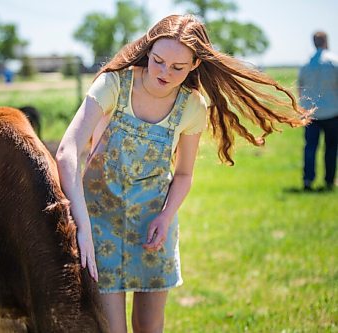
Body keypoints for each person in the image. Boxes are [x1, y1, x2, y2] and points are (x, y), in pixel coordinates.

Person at [56, 14, 310, 332]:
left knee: (150, 326)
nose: (165, 73)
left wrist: (165, 216)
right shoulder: (114, 86)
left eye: (178, 68)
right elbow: (67, 153)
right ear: (148, 51)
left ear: (193, 66)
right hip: (100, 226)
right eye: (159, 61)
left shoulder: (192, 106)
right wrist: (82, 228)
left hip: (153, 225)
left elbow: (184, 175)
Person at [298, 31, 338, 192]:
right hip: (332, 111)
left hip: (310, 112)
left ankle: (308, 180)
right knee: (331, 147)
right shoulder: (334, 62)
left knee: (310, 147)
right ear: (326, 41)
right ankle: (329, 180)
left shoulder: (306, 64)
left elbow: (300, 89)